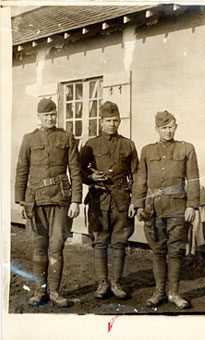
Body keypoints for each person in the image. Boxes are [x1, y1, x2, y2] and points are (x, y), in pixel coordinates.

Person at [15, 98, 82, 307]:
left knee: (56, 246)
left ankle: (54, 291)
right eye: (46, 115)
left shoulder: (67, 137)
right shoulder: (29, 139)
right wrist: (21, 201)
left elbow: (76, 171)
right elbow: (22, 171)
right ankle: (39, 291)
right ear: (39, 117)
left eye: (53, 114)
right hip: (36, 202)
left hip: (61, 200)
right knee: (39, 247)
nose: (50, 118)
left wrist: (76, 200)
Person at [130, 110, 200, 309]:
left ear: (176, 127)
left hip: (178, 207)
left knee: (176, 251)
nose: (168, 131)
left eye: (171, 127)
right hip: (154, 209)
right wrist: (139, 204)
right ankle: (159, 292)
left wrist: (192, 205)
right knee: (158, 252)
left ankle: (174, 293)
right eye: (164, 128)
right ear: (157, 129)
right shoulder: (147, 151)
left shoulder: (186, 149)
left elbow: (193, 179)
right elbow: (140, 180)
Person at [80, 101, 138, 299]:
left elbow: (137, 174)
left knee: (119, 242)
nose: (112, 124)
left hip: (122, 199)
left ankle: (116, 282)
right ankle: (102, 283)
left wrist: (135, 201)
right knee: (100, 242)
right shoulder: (90, 145)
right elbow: (77, 170)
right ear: (101, 121)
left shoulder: (128, 144)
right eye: (108, 120)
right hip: (99, 200)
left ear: (119, 121)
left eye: (115, 120)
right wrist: (91, 178)